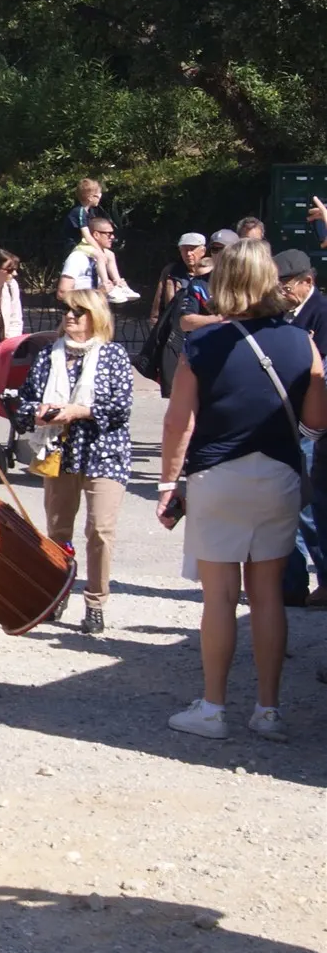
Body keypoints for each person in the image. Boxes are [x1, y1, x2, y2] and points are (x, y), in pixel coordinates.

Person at [158, 240, 327, 742]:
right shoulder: (303, 341)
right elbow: (317, 420)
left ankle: (213, 708)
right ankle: (267, 710)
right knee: (268, 595)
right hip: (277, 474)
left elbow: (177, 423)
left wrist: (170, 484)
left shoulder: (204, 345)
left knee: (219, 598)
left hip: (218, 475)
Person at [12, 288, 134, 633]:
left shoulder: (112, 355)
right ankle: (59, 591)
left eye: (78, 311)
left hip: (103, 453)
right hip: (59, 452)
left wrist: (79, 411)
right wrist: (38, 413)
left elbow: (120, 408)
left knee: (100, 529)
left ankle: (95, 601)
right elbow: (23, 404)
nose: (69, 316)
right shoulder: (50, 356)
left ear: (95, 316)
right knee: (58, 531)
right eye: (66, 310)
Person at [275, 250, 327, 606]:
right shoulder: (279, 312)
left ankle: (324, 578)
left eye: (286, 284)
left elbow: (318, 373)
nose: (281, 291)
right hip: (281, 417)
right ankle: (291, 585)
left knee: (310, 506)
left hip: (309, 424)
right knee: (285, 506)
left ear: (307, 282)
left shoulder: (322, 313)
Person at [150, 234, 209, 325]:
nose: (188, 254)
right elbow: (158, 303)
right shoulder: (171, 272)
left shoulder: (213, 273)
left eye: (192, 249)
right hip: (175, 330)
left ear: (203, 251)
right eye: (184, 249)